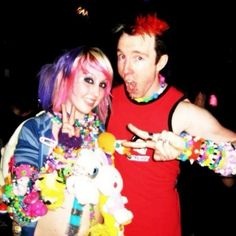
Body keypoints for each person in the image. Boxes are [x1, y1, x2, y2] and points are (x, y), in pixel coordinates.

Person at [106, 11, 236, 236]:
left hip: (158, 228)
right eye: (121, 56)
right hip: (107, 227)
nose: (126, 69)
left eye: (138, 58)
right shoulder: (107, 99)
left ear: (160, 61)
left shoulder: (181, 112)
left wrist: (189, 148)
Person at [1, 46, 114, 236]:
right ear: (65, 78)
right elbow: (21, 204)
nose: (96, 92)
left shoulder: (99, 132)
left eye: (102, 84)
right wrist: (62, 154)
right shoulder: (36, 129)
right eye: (88, 80)